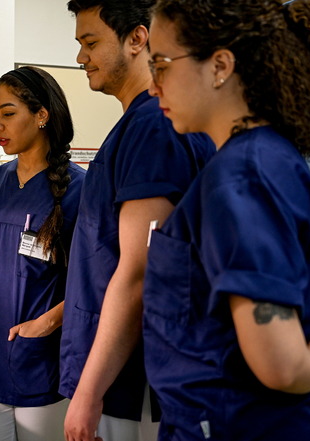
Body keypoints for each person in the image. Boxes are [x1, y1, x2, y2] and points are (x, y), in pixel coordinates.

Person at [142, 1, 310, 439]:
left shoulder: (241, 177)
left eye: (160, 64)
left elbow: (280, 365)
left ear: (220, 65)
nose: (152, 86)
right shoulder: (255, 160)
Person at [60, 1, 215, 440]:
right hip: (119, 375)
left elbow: (140, 273)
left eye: (91, 43)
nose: (80, 57)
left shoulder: (154, 128)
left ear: (137, 39)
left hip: (135, 385)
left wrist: (89, 391)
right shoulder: (136, 124)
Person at [0, 66, 85, 441]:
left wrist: (45, 325)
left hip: (41, 359)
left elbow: (96, 281)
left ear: (42, 115)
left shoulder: (80, 188)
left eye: (9, 113)